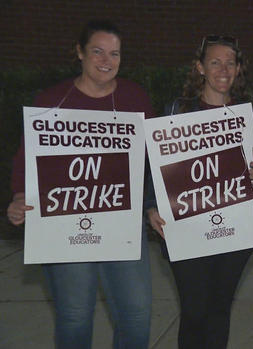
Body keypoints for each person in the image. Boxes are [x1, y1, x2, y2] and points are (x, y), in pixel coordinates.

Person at [6, 20, 153, 349]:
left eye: (114, 53)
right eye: (98, 51)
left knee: (137, 314)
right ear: (79, 52)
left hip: (121, 224)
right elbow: (26, 158)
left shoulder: (134, 98)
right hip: (64, 225)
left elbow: (157, 156)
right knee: (75, 315)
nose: (106, 60)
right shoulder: (51, 100)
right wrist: (20, 198)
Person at [144, 35, 253, 349]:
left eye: (231, 62)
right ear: (200, 67)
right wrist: (152, 207)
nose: (224, 69)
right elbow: (155, 166)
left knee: (219, 310)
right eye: (215, 62)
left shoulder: (245, 115)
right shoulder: (176, 112)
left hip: (234, 231)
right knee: (194, 311)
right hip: (187, 228)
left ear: (238, 69)